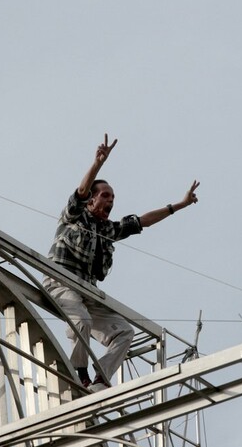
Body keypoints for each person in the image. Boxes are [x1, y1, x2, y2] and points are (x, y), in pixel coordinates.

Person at [44, 134, 200, 392]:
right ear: (92, 200)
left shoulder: (107, 230)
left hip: (87, 292)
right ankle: (79, 373)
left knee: (124, 332)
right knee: (79, 318)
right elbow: (81, 192)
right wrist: (98, 164)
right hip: (61, 282)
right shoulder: (74, 216)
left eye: (113, 198)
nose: (110, 201)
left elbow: (143, 221)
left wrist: (179, 205)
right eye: (105, 195)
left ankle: (100, 379)